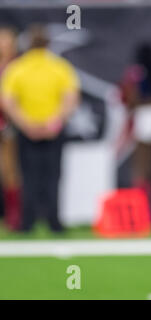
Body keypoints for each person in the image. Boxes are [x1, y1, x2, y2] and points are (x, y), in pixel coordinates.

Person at [0, 24, 80, 232]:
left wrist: (25, 123)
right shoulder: (59, 66)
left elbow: (8, 101)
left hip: (27, 130)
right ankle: (54, 222)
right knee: (53, 176)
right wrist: (56, 121)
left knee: (28, 176)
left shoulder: (17, 68)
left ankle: (27, 223)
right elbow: (71, 97)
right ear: (48, 43)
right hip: (53, 130)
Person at [119, 43, 151, 226]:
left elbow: (128, 98)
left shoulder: (134, 74)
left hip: (144, 119)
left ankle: (144, 214)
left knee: (142, 169)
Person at [0, 26, 21, 230]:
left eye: (6, 41)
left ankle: (13, 217)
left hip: (8, 124)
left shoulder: (17, 67)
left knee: (10, 171)